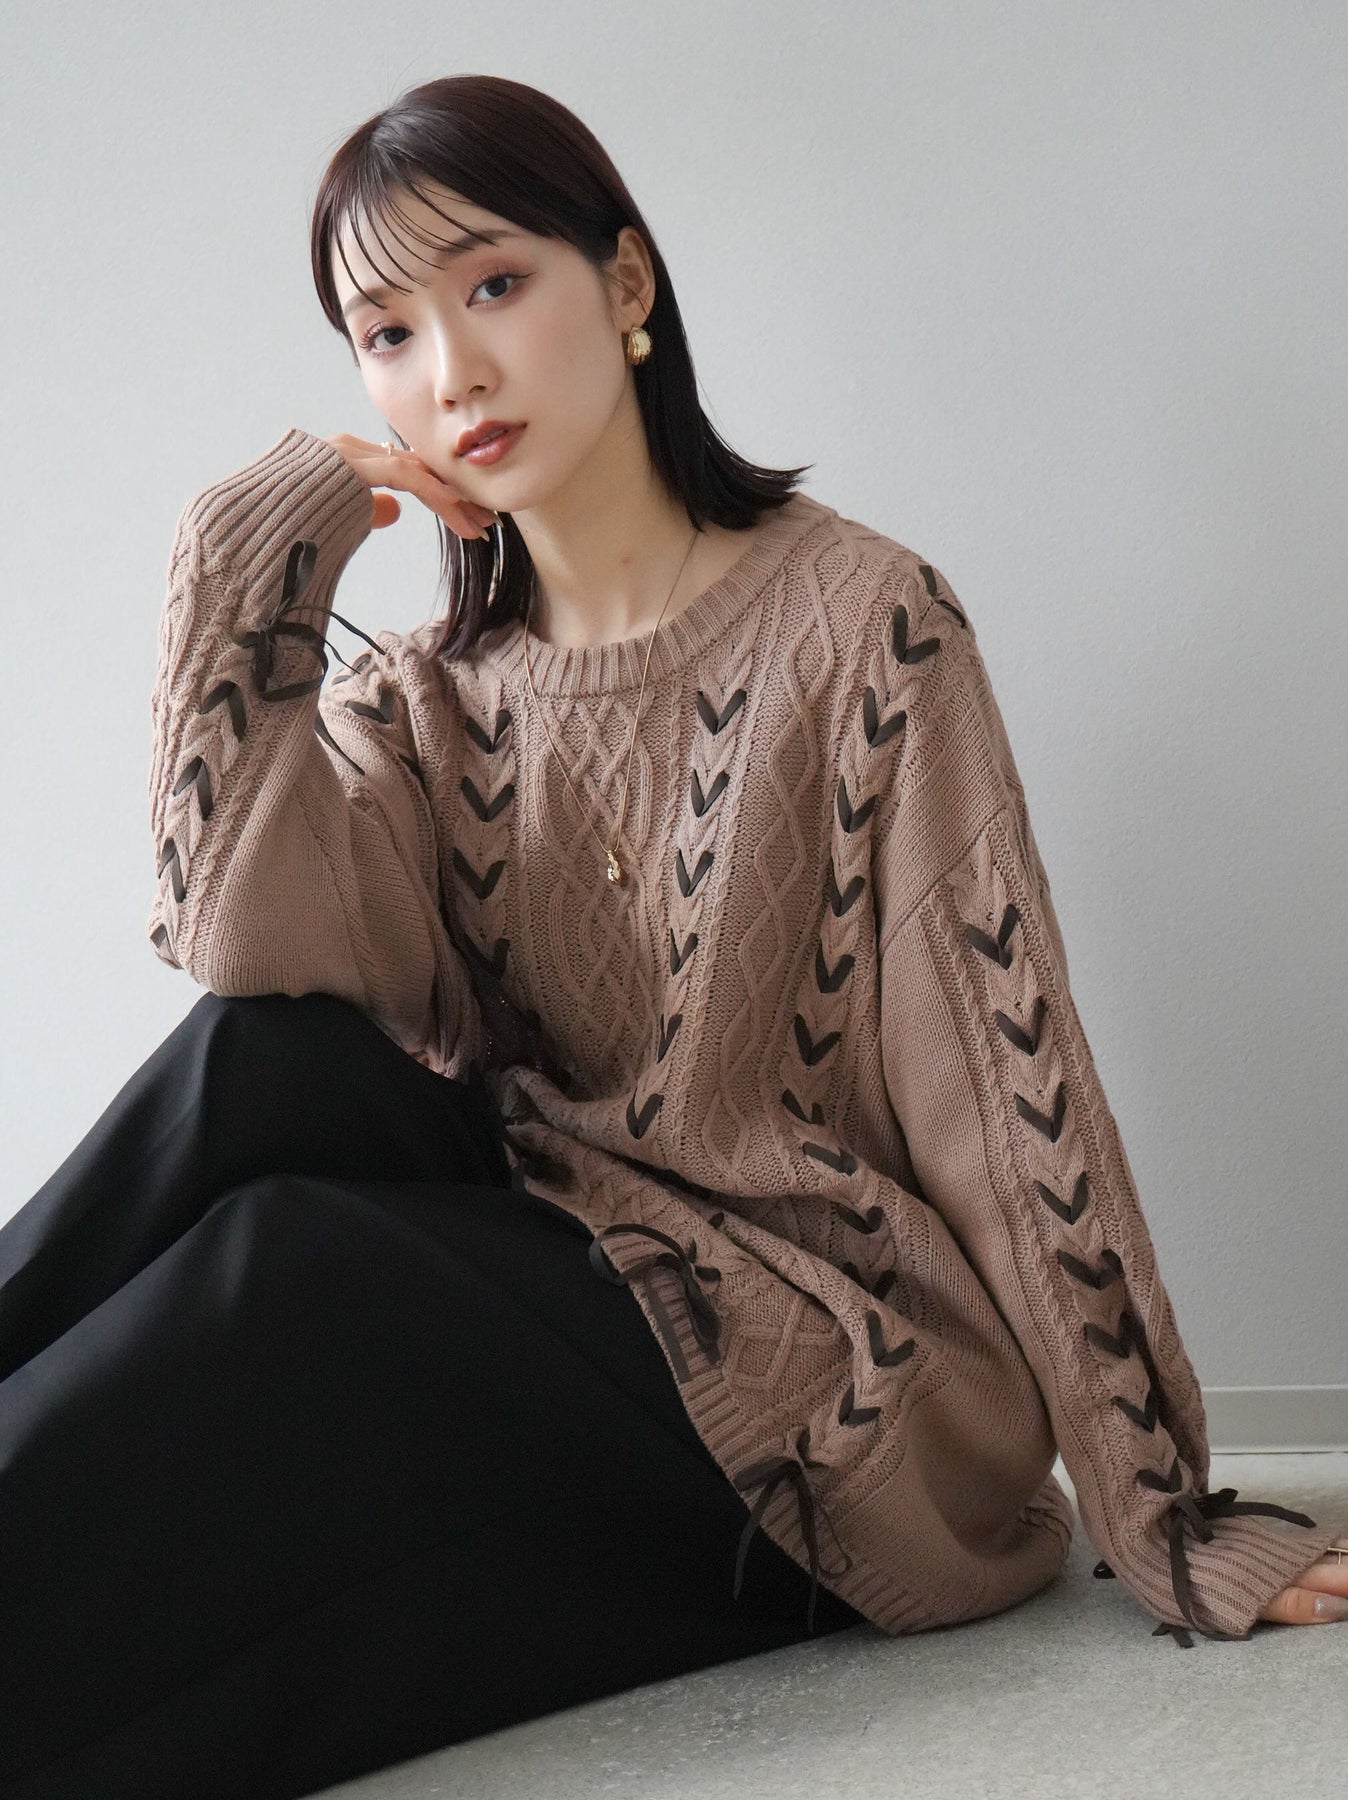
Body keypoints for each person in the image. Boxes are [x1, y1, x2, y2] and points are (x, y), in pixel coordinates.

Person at [2, 71, 1344, 1800]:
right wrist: (256, 540)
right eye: (387, 332)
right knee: (256, 1063)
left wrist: (1161, 1510)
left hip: (829, 1357)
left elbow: (1009, 1101)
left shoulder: (866, 630)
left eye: (496, 285)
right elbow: (231, 936)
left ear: (626, 283)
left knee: (295, 1265)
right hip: (564, 1267)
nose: (450, 372)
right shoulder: (425, 697)